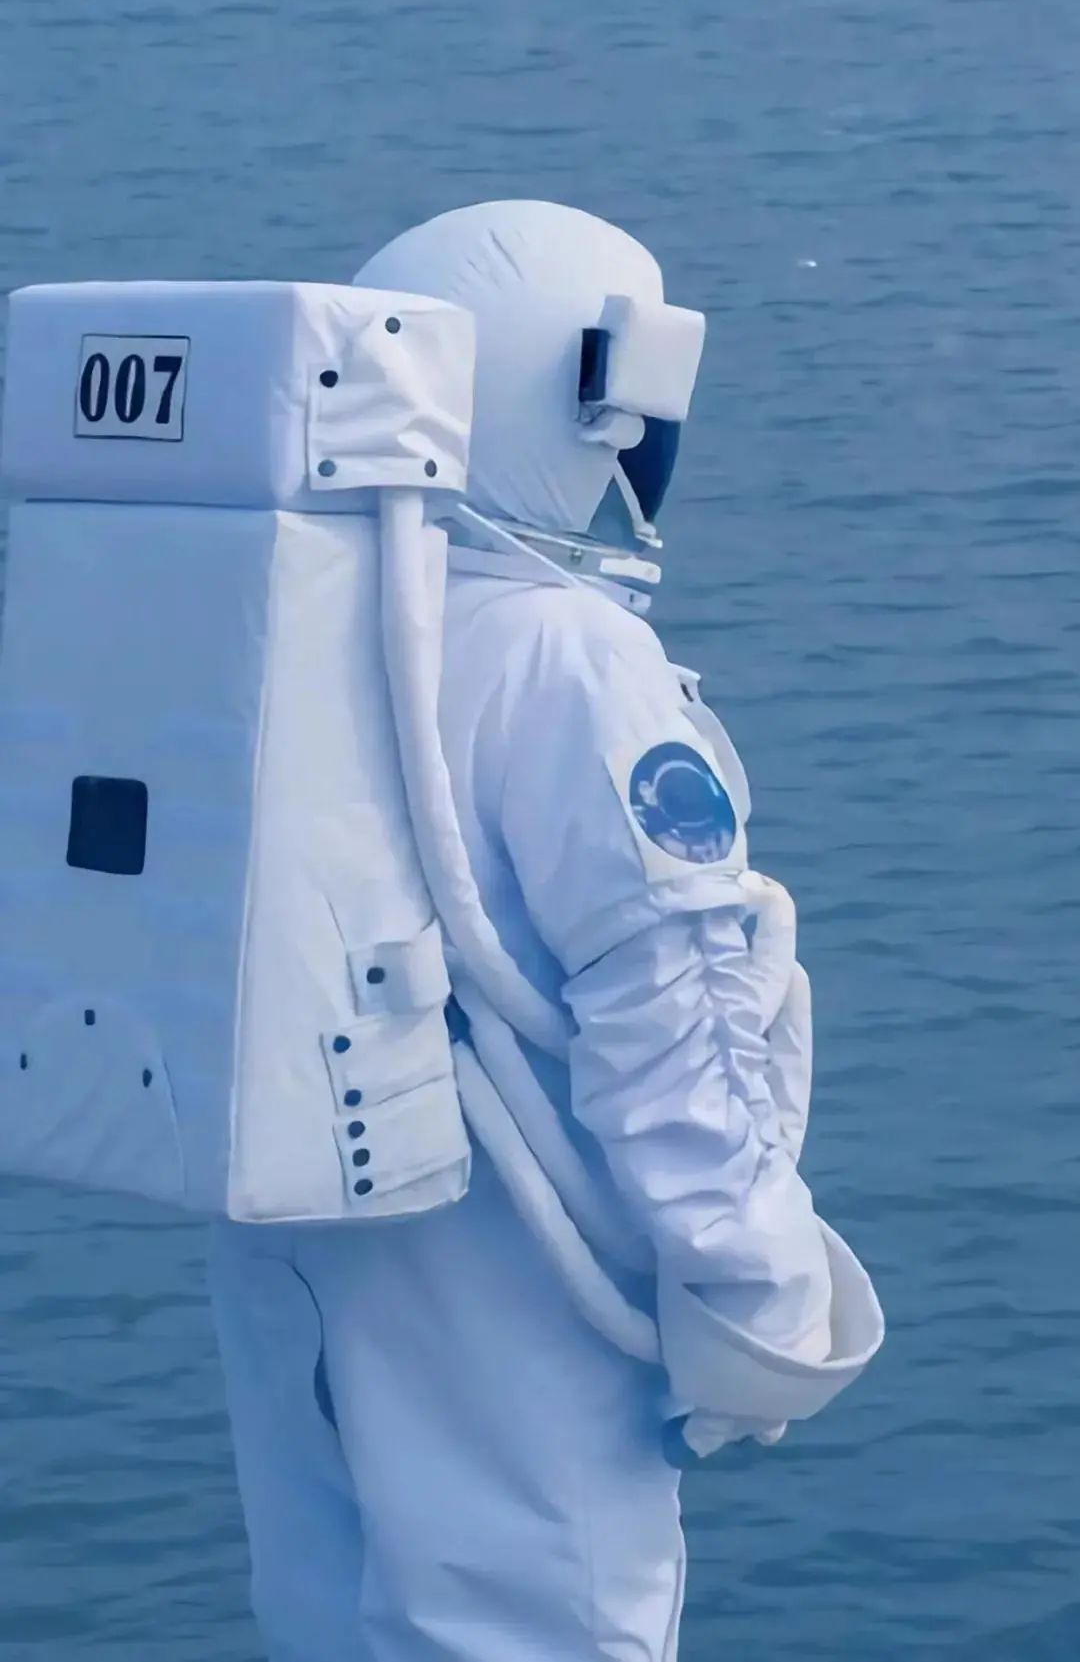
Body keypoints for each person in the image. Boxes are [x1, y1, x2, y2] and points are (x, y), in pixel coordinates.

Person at [209, 199, 882, 1662]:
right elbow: (675, 1010)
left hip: (303, 1249)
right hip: (518, 1270)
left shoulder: (288, 630)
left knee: (331, 1613)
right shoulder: (570, 657)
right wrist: (759, 1296)